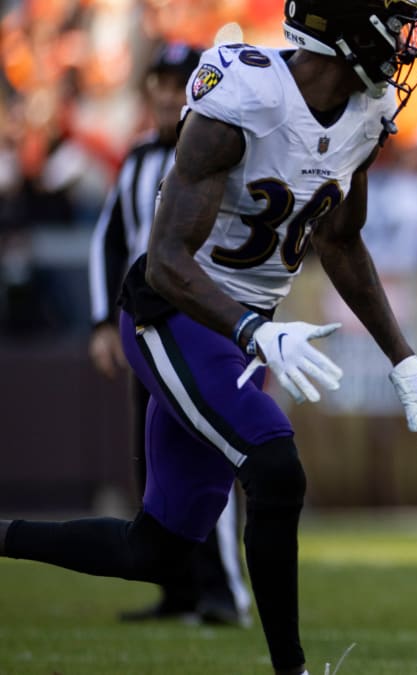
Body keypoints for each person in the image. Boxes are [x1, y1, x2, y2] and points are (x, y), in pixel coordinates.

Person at [1, 1, 417, 673]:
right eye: (388, 18)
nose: (402, 39)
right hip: (173, 309)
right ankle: (290, 668)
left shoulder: (367, 111)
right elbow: (166, 260)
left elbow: (341, 238)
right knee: (275, 466)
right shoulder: (246, 95)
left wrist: (404, 358)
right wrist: (252, 329)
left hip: (244, 331)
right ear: (341, 26)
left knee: (154, 549)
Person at [88, 40, 251, 628]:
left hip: (200, 323)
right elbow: (109, 240)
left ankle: (224, 590)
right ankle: (177, 587)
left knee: (213, 457)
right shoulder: (135, 159)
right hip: (145, 324)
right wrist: (103, 321)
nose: (162, 90)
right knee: (157, 464)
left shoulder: (220, 143)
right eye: (156, 79)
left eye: (174, 79)